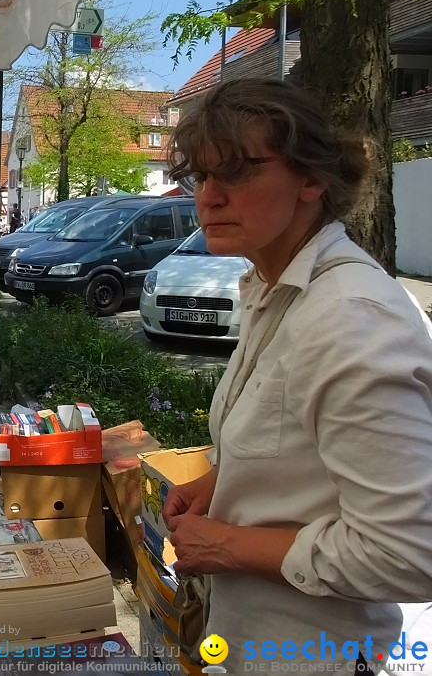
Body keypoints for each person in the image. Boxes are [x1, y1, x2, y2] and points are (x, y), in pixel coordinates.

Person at [160, 79, 432, 672]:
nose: (208, 197)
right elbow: (301, 445)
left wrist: (226, 545)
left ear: (311, 179)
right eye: (200, 176)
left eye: (235, 171)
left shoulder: (351, 320)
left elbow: (411, 554)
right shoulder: (274, 288)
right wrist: (225, 484)